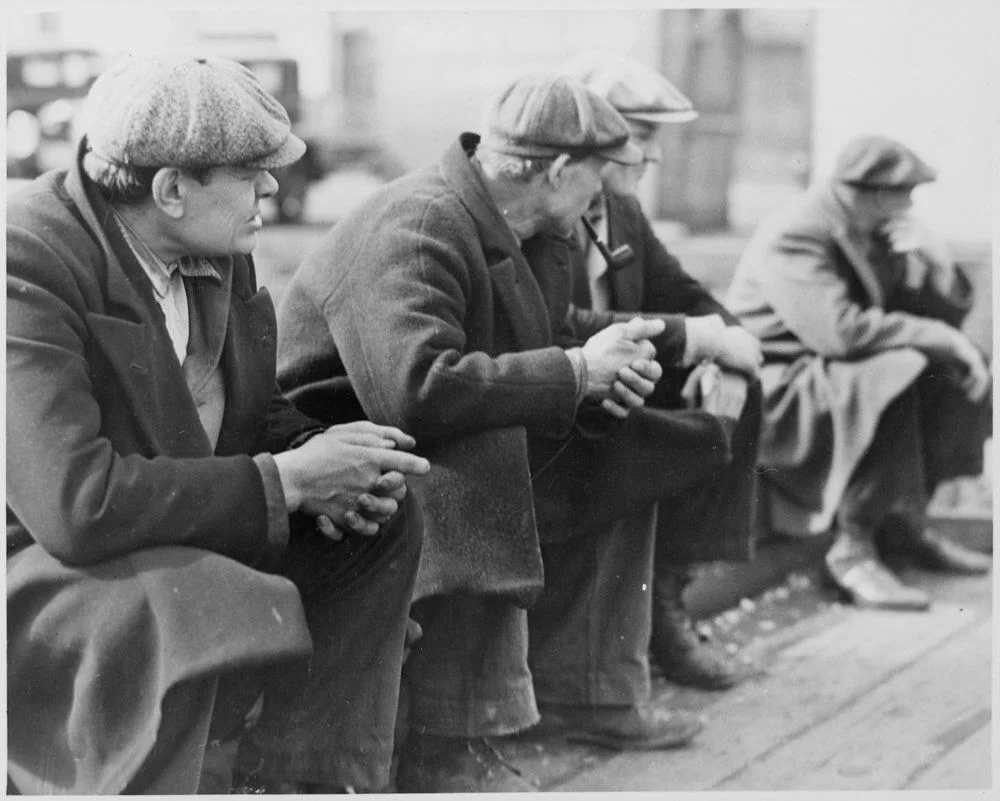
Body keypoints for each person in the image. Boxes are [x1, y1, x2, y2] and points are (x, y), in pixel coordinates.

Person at [276, 73, 720, 793]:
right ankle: (453, 745)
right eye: (599, 178)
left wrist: (605, 376)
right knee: (479, 456)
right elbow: (414, 389)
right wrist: (575, 372)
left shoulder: (529, 226)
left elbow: (537, 336)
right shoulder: (419, 225)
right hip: (334, 448)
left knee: (636, 444)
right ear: (556, 171)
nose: (603, 199)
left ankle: (590, 691)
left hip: (415, 436)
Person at [6, 53, 431, 795]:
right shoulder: (25, 261)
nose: (272, 184)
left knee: (383, 517)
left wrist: (324, 456)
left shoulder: (211, 242)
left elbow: (245, 411)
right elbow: (73, 505)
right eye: (250, 171)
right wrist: (285, 481)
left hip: (165, 523)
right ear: (171, 189)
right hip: (39, 559)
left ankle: (313, 779)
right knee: (204, 597)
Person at [555, 51, 764, 690]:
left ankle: (667, 593)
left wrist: (722, 340)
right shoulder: (551, 203)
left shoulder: (621, 210)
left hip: (615, 377)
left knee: (736, 387)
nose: (653, 156)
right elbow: (550, 323)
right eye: (641, 136)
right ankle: (622, 642)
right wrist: (691, 338)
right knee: (666, 420)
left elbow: (681, 289)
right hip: (556, 389)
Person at [726, 134, 991, 611]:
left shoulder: (870, 228)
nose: (910, 205)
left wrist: (932, 263)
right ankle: (852, 547)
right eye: (903, 193)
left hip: (830, 367)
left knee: (951, 368)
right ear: (867, 192)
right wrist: (940, 338)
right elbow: (839, 332)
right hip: (778, 378)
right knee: (901, 369)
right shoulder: (799, 231)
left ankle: (900, 521)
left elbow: (927, 317)